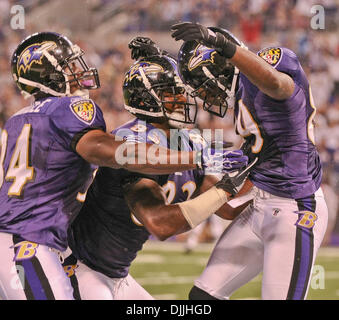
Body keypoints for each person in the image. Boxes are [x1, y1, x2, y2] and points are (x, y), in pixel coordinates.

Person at [0, 32, 248, 300]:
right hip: (42, 248)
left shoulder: (20, 118)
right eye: (69, 67)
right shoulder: (94, 121)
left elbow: (225, 206)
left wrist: (260, 174)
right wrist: (196, 160)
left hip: (69, 254)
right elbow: (114, 155)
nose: (78, 73)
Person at [63, 54, 252, 300]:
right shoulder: (133, 141)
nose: (184, 98)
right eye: (172, 92)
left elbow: (227, 208)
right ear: (147, 99)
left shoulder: (186, 140)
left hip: (116, 275)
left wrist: (261, 175)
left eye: (182, 91)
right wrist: (224, 189)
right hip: (82, 268)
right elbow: (160, 224)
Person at [168, 22, 329, 300]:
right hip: (258, 205)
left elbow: (278, 84)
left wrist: (226, 47)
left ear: (218, 67)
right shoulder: (241, 91)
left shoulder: (270, 68)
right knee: (203, 297)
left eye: (202, 86)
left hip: (295, 208)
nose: (204, 96)